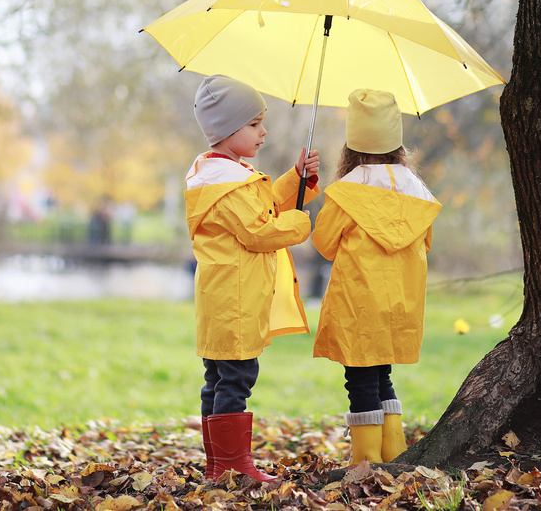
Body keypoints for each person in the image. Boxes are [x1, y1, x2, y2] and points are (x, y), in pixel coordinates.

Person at [185, 74, 320, 482]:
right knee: (236, 380)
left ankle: (218, 466)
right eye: (254, 124)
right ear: (227, 130)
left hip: (222, 301)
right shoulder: (227, 185)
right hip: (235, 302)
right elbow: (260, 230)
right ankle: (232, 467)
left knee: (220, 380)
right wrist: (299, 224)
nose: (264, 132)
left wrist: (296, 178)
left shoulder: (223, 177)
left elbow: (262, 206)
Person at [311, 88, 441, 465]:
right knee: (382, 375)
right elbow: (426, 242)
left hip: (359, 303)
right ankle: (393, 455)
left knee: (361, 380)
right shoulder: (418, 192)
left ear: (352, 145)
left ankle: (364, 464)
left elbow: (323, 241)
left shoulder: (348, 190)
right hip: (400, 303)